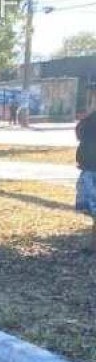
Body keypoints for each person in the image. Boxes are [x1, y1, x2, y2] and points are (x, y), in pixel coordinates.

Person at [77, 106, 96, 255]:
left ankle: (93, 244)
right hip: (90, 169)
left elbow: (81, 133)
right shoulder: (91, 118)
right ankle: (93, 243)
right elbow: (80, 133)